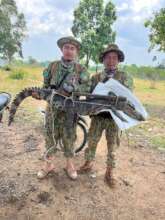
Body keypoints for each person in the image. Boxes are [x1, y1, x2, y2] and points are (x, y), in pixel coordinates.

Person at [79, 44, 133, 187]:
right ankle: (88, 163)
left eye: (114, 58)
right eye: (108, 57)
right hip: (98, 117)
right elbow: (89, 96)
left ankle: (109, 172)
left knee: (112, 147)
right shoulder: (96, 77)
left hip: (114, 119)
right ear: (103, 60)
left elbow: (128, 97)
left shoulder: (124, 77)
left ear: (118, 60)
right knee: (91, 142)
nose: (111, 60)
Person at [36, 36, 89, 180]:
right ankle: (48, 165)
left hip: (70, 111)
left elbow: (87, 86)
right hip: (52, 109)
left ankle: (69, 165)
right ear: (62, 49)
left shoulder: (81, 69)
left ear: (76, 51)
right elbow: (45, 86)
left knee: (69, 137)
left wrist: (75, 87)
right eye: (66, 47)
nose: (69, 51)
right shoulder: (52, 66)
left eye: (72, 48)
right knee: (50, 136)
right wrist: (41, 94)